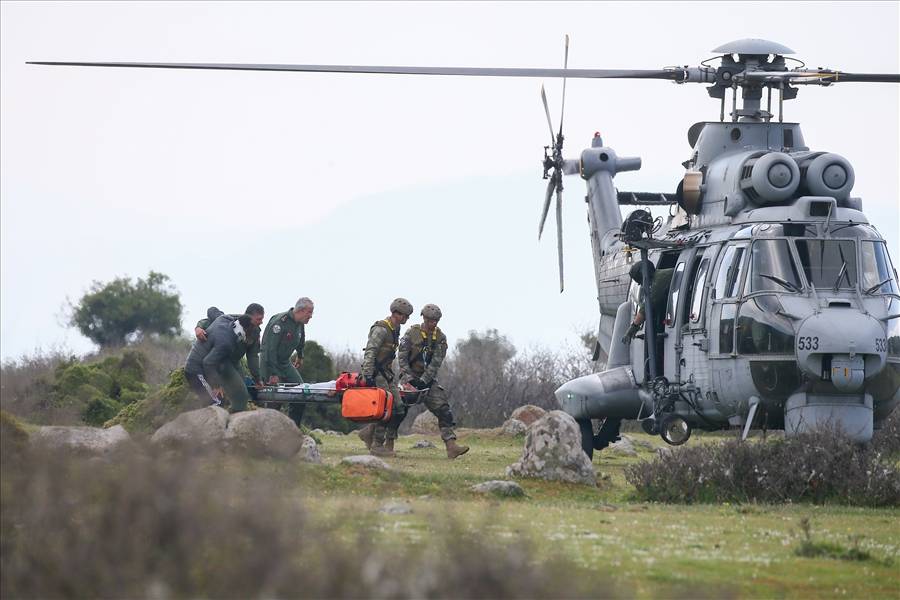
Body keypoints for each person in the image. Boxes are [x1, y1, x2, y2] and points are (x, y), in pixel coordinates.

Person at [398, 303, 469, 459]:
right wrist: (409, 378)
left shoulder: (440, 338)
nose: (433, 323)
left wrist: (424, 380)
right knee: (398, 411)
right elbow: (402, 358)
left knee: (443, 409)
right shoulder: (411, 333)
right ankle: (382, 441)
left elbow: (436, 362)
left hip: (427, 379)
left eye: (436, 320)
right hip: (408, 377)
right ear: (424, 318)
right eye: (430, 320)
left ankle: (451, 446)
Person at [357, 297, 413, 457]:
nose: (406, 319)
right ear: (396, 313)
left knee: (399, 408)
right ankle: (377, 445)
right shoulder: (381, 329)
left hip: (387, 374)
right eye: (405, 316)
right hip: (376, 373)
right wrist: (367, 374)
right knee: (386, 408)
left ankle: (368, 433)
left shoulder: (395, 329)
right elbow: (370, 351)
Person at [259, 297, 314, 427]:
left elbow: (301, 339)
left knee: (301, 393)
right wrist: (273, 373)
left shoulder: (299, 323)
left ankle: (294, 429)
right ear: (300, 310)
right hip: (270, 363)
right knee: (275, 399)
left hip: (284, 363)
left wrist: (300, 355)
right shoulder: (280, 323)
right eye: (309, 312)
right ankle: (267, 431)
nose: (311, 316)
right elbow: (269, 350)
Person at [184, 313, 255, 412]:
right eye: (251, 331)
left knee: (219, 400)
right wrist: (216, 386)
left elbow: (212, 310)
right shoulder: (227, 343)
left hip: (202, 369)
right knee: (216, 403)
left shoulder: (225, 318)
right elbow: (208, 363)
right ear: (245, 330)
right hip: (195, 371)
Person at [194, 303, 265, 388]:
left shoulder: (255, 333)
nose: (261, 322)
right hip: (215, 360)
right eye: (259, 319)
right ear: (249, 317)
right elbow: (210, 315)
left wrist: (257, 379)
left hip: (233, 364)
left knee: (241, 387)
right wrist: (198, 328)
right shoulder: (229, 321)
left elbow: (253, 357)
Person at [622, 261, 674, 344]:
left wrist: (632, 329)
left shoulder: (659, 281)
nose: (640, 284)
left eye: (640, 281)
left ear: (644, 276)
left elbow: (646, 307)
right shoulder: (660, 276)